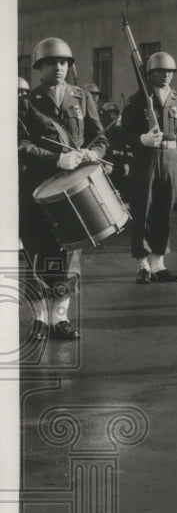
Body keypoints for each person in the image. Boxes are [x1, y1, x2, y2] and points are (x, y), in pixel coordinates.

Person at [18, 38, 108, 340]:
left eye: (63, 62)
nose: (58, 68)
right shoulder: (27, 102)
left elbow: (99, 137)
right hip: (38, 189)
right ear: (39, 68)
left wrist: (94, 154)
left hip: (73, 190)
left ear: (69, 66)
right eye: (50, 63)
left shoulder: (81, 98)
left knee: (69, 254)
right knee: (38, 251)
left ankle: (60, 317)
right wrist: (58, 158)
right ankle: (40, 318)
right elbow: (21, 146)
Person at [121, 51, 177, 284]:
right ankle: (142, 263)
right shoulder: (137, 99)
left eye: (170, 72)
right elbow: (124, 133)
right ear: (149, 74)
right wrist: (141, 139)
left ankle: (159, 263)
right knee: (143, 210)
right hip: (146, 158)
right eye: (161, 72)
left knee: (164, 210)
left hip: (170, 157)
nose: (167, 75)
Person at [100, 102, 129, 197]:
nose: (113, 116)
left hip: (119, 163)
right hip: (106, 163)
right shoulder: (102, 129)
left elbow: (124, 146)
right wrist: (108, 162)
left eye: (115, 113)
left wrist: (126, 162)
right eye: (110, 113)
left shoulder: (120, 130)